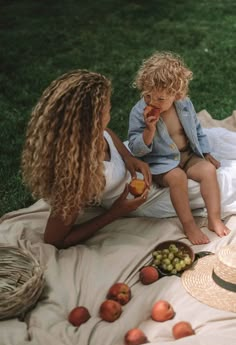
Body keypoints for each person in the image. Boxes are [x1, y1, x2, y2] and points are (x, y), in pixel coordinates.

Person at [21, 70, 151, 249]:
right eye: (107, 108)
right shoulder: (77, 175)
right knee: (198, 182)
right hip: (146, 200)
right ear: (92, 121)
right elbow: (54, 239)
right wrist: (116, 212)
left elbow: (106, 132)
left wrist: (127, 157)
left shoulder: (91, 134)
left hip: (142, 168)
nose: (110, 108)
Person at [128, 51, 230, 245]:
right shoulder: (139, 112)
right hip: (161, 162)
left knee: (208, 170)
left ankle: (214, 218)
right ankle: (189, 224)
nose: (152, 102)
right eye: (147, 95)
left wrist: (206, 152)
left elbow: (197, 129)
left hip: (188, 155)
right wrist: (149, 130)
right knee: (177, 177)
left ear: (177, 94)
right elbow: (136, 149)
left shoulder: (183, 104)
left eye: (160, 99)